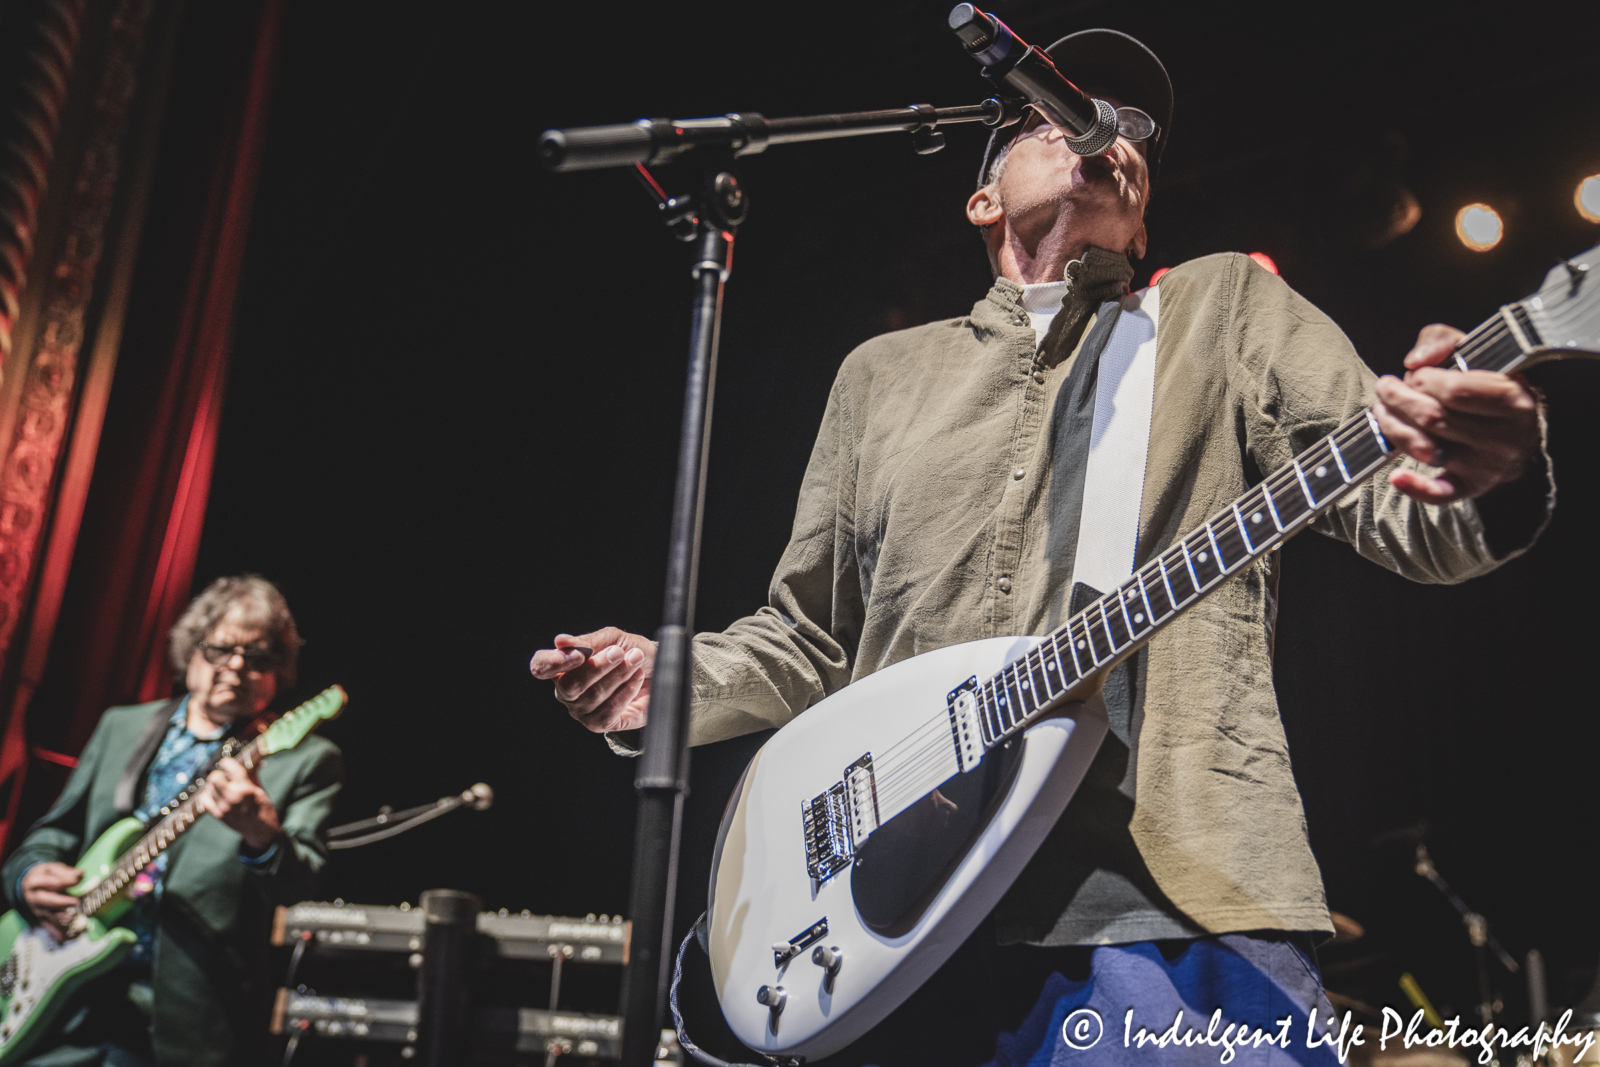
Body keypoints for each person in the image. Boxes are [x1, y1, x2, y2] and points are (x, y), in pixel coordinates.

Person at [530, 29, 1549, 1067]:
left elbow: (1407, 515)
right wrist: (668, 686)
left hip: (1167, 912)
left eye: (1136, 128)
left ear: (1143, 211)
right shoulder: (879, 377)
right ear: (981, 196)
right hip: (897, 935)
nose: (1109, 130)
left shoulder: (1222, 311)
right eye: (1052, 111)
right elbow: (804, 639)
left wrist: (1483, 466)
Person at [3, 576, 343, 1067]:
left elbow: (302, 889)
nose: (237, 667)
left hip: (185, 1022)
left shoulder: (304, 760)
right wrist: (28, 874)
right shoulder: (123, 727)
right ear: (192, 649)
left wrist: (261, 834)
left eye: (259, 658)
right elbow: (54, 833)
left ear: (279, 673)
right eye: (222, 648)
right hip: (66, 1003)